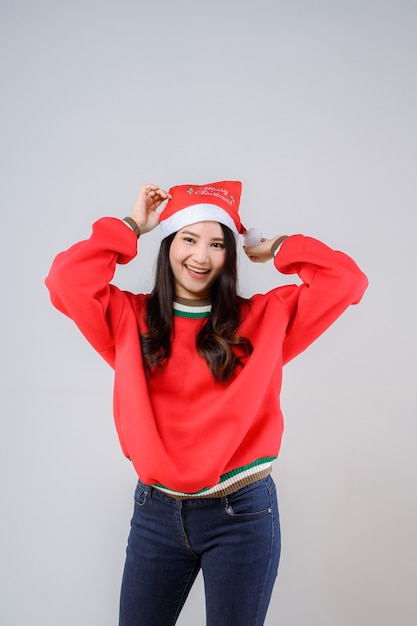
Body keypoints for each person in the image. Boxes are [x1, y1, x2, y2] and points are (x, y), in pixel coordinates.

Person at [45, 180, 368, 626]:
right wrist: (130, 226)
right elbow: (65, 280)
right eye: (189, 239)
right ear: (168, 244)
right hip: (155, 514)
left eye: (217, 243)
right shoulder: (127, 320)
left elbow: (346, 281)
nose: (201, 257)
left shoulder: (262, 321)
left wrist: (278, 247)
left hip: (241, 513)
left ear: (229, 254)